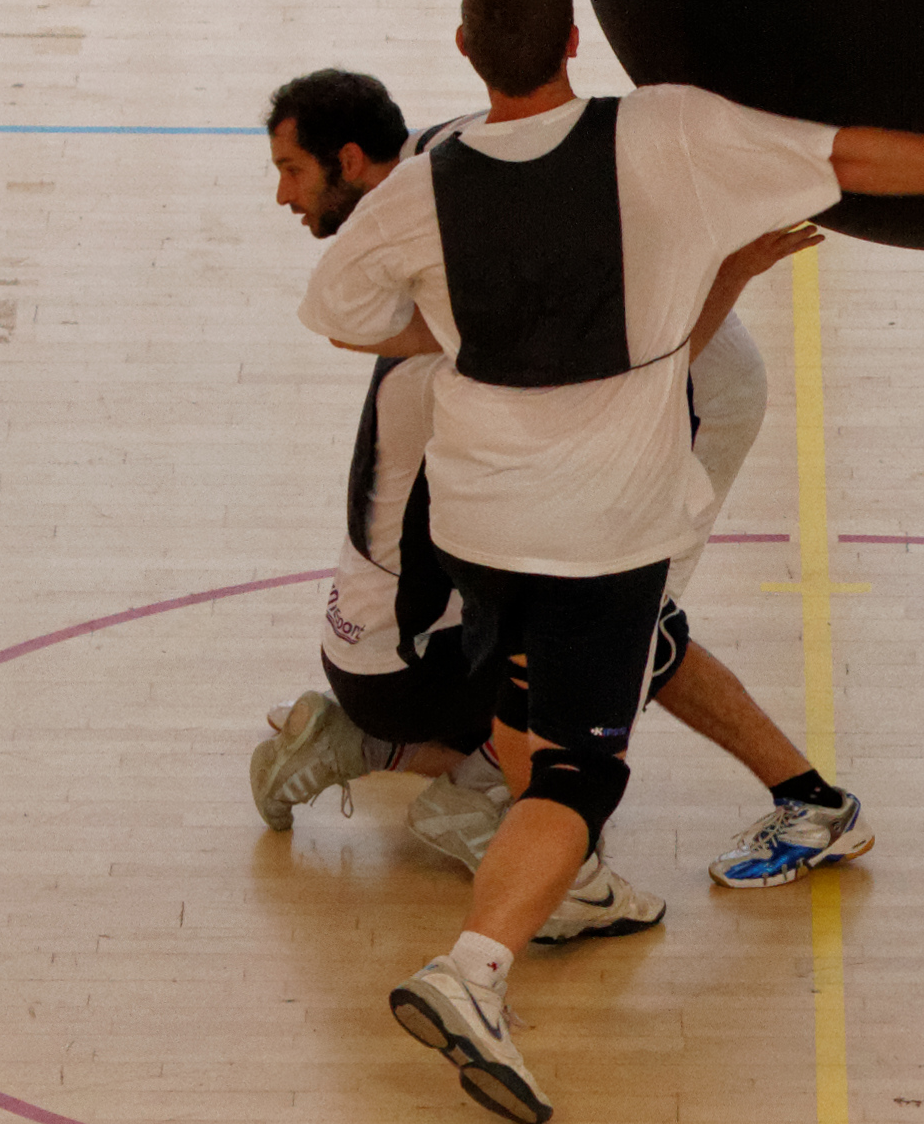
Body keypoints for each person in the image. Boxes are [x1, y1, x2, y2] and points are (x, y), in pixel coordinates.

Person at [299, 0, 924, 1124]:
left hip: (477, 524)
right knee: (576, 771)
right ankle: (474, 970)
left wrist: (462, 326)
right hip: (601, 532)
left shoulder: (425, 182)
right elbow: (846, 154)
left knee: (518, 715)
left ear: (465, 52)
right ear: (573, 43)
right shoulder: (662, 134)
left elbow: (342, 312)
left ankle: (559, 897)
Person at [251, 68, 862, 941]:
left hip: (378, 641)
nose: (282, 198)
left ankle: (400, 757)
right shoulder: (468, 203)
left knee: (612, 627)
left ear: (353, 162)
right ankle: (790, 804)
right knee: (614, 637)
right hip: (409, 652)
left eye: (293, 173)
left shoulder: (453, 280)